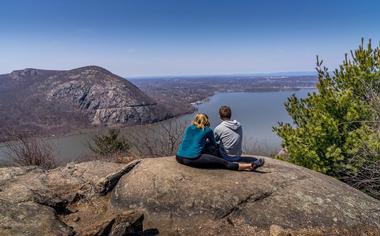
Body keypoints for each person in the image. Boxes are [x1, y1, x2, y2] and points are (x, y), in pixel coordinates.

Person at [176, 113, 255, 171]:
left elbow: (190, 141)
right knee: (224, 163)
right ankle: (249, 166)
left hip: (179, 157)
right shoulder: (207, 130)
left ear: (195, 120)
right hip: (192, 158)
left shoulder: (189, 128)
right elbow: (213, 144)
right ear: (206, 120)